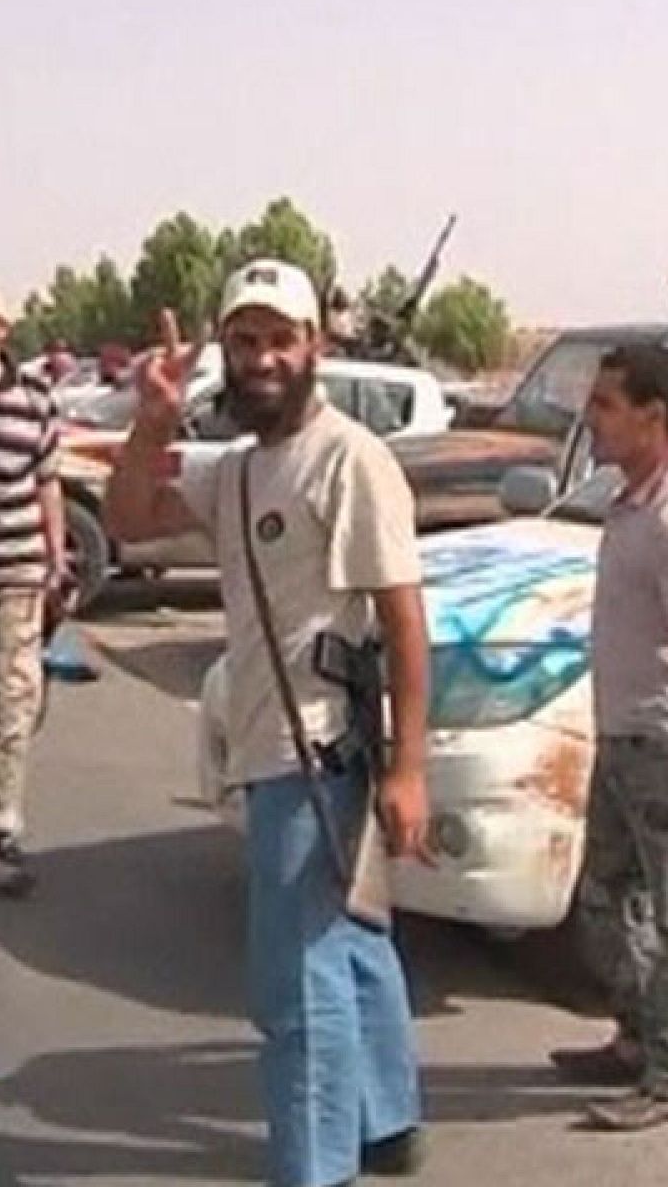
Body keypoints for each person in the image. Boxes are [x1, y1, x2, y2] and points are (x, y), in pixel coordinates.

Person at [103, 260, 432, 1187]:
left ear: (313, 347)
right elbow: (129, 519)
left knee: (297, 989)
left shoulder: (350, 459)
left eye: (278, 339)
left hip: (317, 752)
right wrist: (153, 420)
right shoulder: (242, 472)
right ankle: (386, 1121)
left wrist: (412, 770)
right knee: (352, 945)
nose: (261, 360)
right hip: (268, 741)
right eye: (243, 342)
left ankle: (316, 1167)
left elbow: (405, 620)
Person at [549, 345, 668, 1132]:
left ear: (652, 417)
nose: (590, 420)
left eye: (604, 405)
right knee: (609, 904)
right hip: (626, 743)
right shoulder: (634, 502)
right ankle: (636, 1039)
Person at [0, 286, 68, 898]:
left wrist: (57, 557)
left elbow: (48, 483)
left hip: (17, 569)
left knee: (15, 696)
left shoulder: (34, 398)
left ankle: (2, 827)